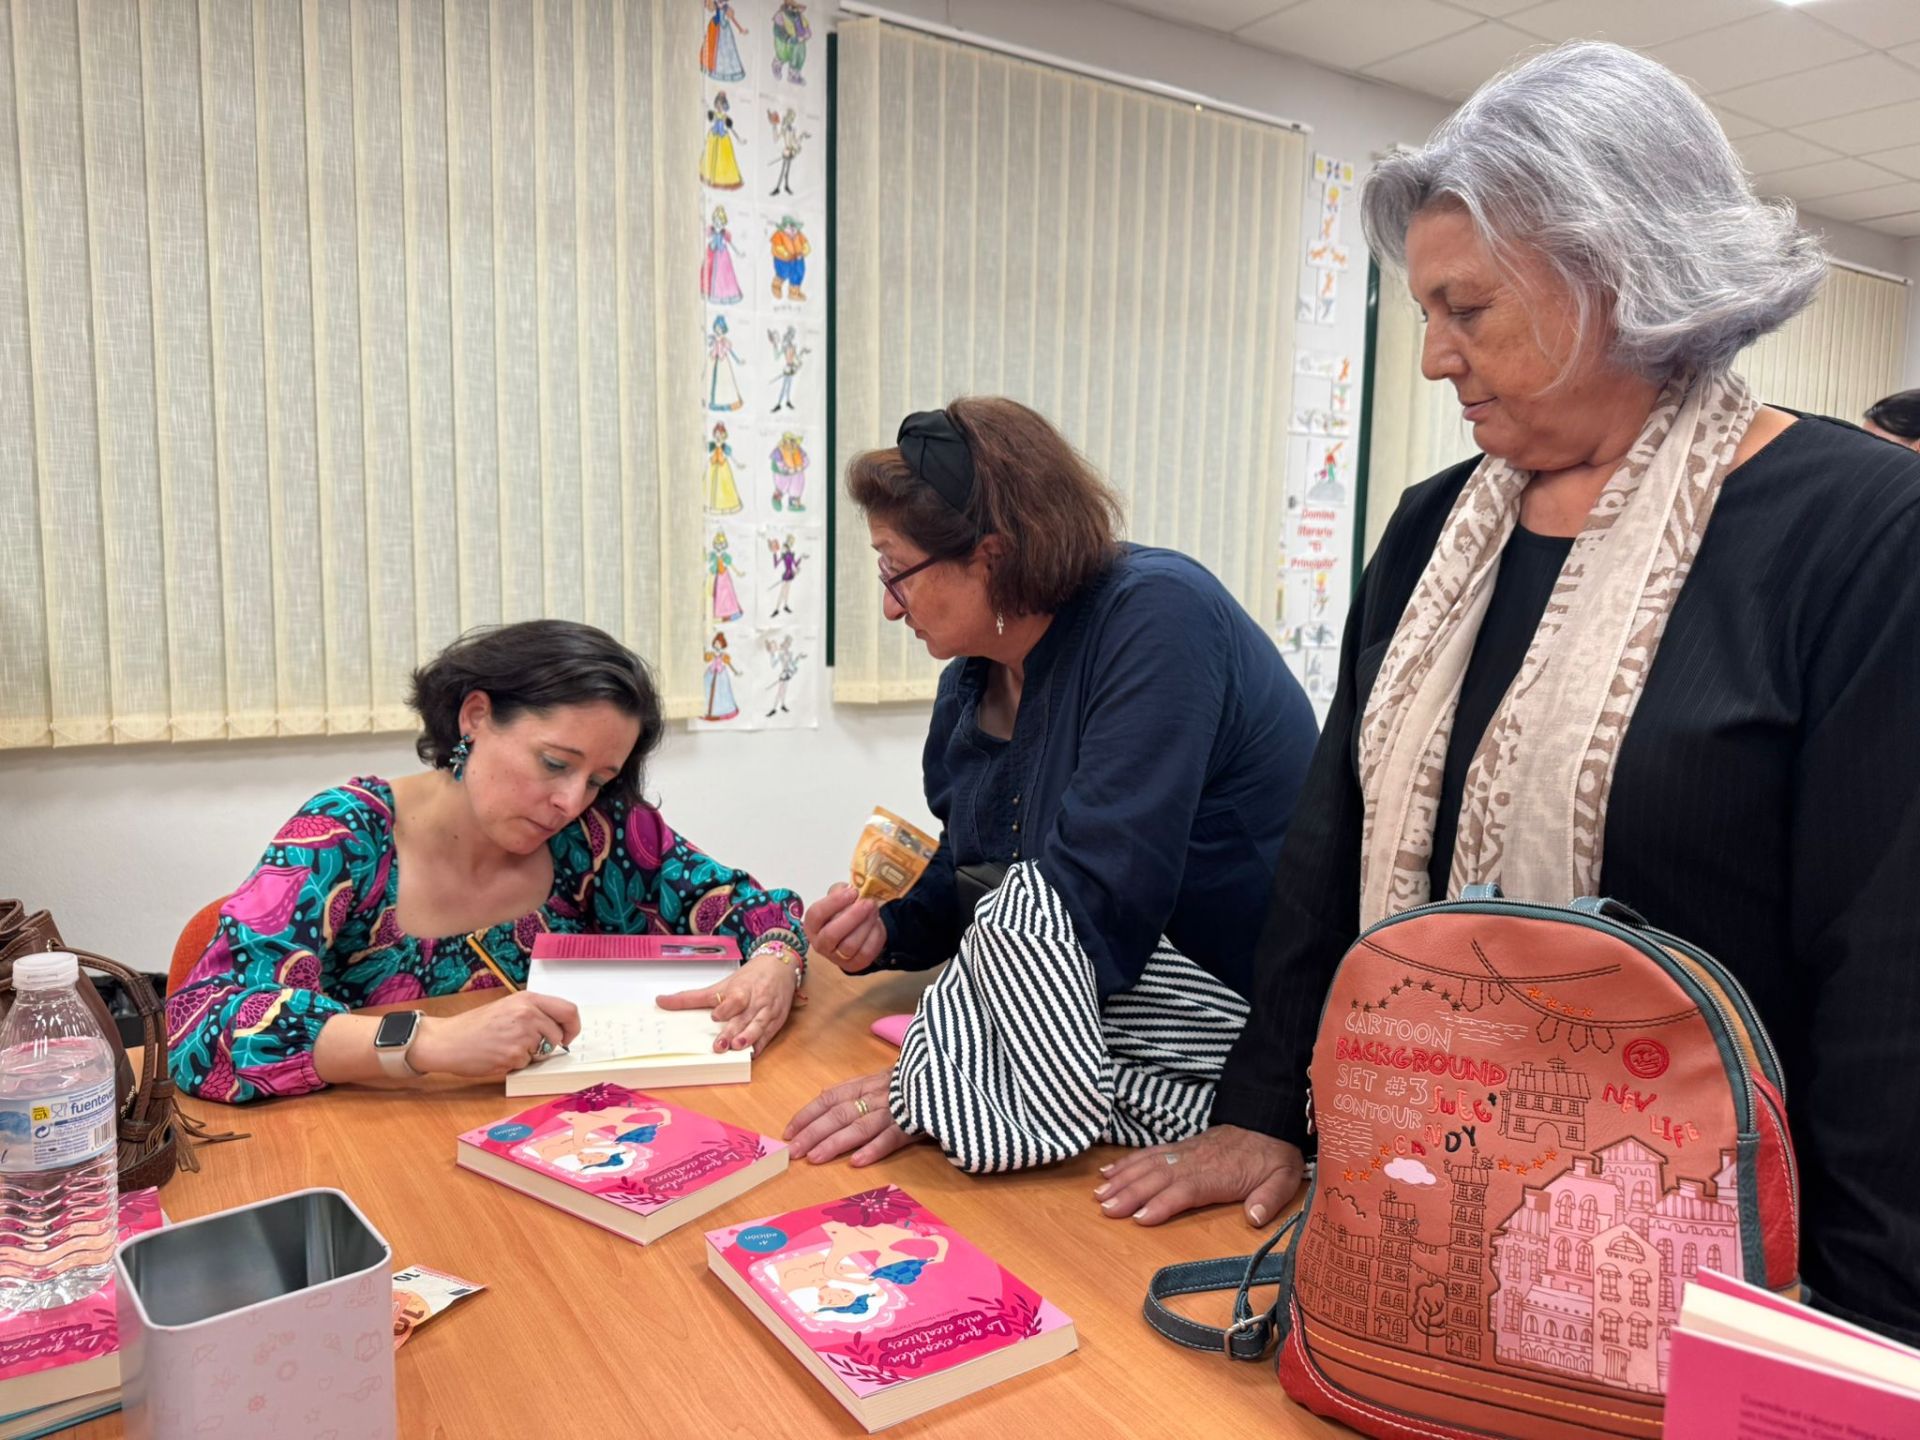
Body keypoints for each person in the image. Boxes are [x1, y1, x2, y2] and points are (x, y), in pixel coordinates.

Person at [1096, 42, 1920, 1345]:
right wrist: (1260, 1110)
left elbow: (1886, 974)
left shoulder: (1865, 532)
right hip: (1424, 1216)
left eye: (1466, 309)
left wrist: (1868, 1337)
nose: (1434, 358)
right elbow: (1330, 847)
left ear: (1618, 273)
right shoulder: (1436, 532)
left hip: (1726, 1267)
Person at [785, 398, 1319, 1174]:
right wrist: (890, 928)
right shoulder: (974, 676)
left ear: (992, 556)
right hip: (1115, 1012)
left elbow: (1092, 895)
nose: (891, 606)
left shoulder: (1158, 617)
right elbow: (982, 873)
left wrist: (937, 1080)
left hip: (1249, 1042)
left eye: (896, 571)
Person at [167, 621, 807, 1103]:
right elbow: (202, 1025)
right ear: (475, 717)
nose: (569, 800)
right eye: (554, 763)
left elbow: (748, 908)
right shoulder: (346, 836)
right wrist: (431, 1041)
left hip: (561, 1140)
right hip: (382, 1154)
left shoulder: (598, 832)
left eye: (598, 779)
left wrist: (776, 962)